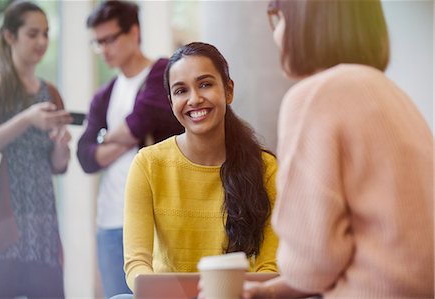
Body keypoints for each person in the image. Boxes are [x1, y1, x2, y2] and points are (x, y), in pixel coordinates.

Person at [243, 0, 434, 298]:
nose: (276, 34)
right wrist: (271, 291)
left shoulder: (314, 97)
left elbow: (313, 259)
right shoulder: (392, 94)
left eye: (278, 18)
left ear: (305, 23)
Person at [122, 41, 278, 294]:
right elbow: (137, 263)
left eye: (205, 84)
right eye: (181, 91)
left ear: (228, 91)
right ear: (171, 101)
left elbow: (269, 267)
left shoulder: (266, 168)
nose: (194, 99)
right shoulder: (147, 164)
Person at [76, 1, 183, 297]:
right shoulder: (104, 94)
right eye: (98, 42)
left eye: (110, 39)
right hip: (110, 219)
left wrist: (104, 137)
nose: (105, 49)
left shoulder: (162, 73)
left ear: (134, 32)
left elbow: (139, 123)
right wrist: (118, 137)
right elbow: (85, 157)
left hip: (156, 218)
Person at [0, 1, 72, 297]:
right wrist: (27, 119)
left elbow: (58, 165)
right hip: (4, 222)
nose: (42, 42)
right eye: (32, 34)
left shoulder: (51, 92)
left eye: (46, 34)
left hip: (43, 225)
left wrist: (61, 148)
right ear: (9, 36)